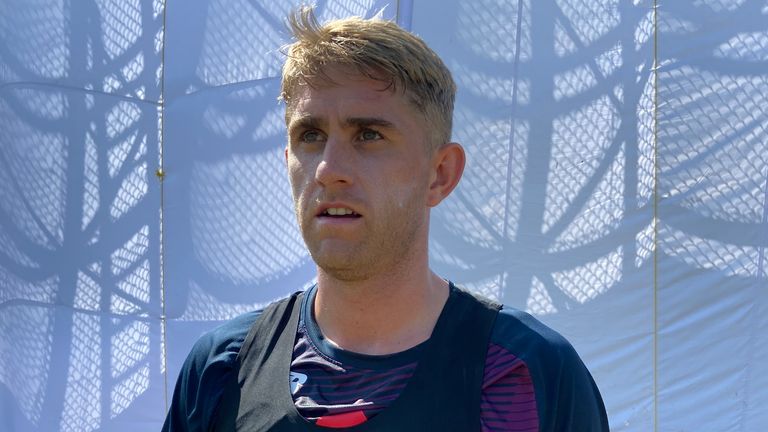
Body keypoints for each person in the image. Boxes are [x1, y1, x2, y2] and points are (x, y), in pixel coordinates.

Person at [162, 6, 609, 431]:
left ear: (440, 174)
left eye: (369, 134)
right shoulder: (221, 372)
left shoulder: (526, 374)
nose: (328, 169)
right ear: (287, 160)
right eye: (311, 135)